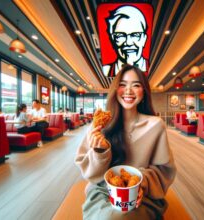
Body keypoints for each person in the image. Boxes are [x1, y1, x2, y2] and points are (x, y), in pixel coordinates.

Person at [75, 64, 176, 219]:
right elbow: (90, 174)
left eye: (136, 85)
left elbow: (164, 170)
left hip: (144, 194)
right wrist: (100, 152)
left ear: (144, 91)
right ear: (115, 90)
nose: (128, 91)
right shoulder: (100, 126)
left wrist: (140, 184)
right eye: (122, 85)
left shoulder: (156, 125)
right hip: (103, 191)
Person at [103, 6, 149, 77]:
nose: (128, 42)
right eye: (120, 35)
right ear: (113, 39)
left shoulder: (152, 68)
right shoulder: (107, 70)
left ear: (144, 39)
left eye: (136, 35)